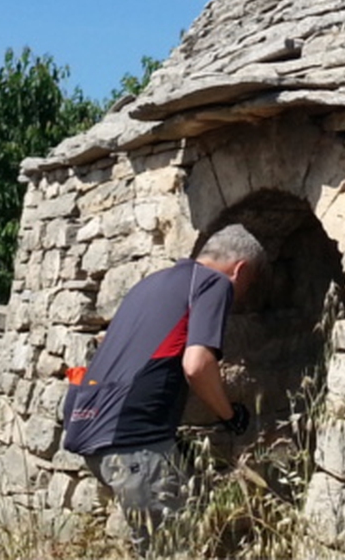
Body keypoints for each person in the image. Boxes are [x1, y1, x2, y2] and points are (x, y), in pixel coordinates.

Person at [61, 223, 265, 553]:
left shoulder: (150, 283)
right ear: (240, 269)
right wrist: (230, 415)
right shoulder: (214, 283)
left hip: (87, 429)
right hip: (133, 441)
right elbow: (197, 365)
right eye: (247, 285)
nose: (240, 296)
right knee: (173, 549)